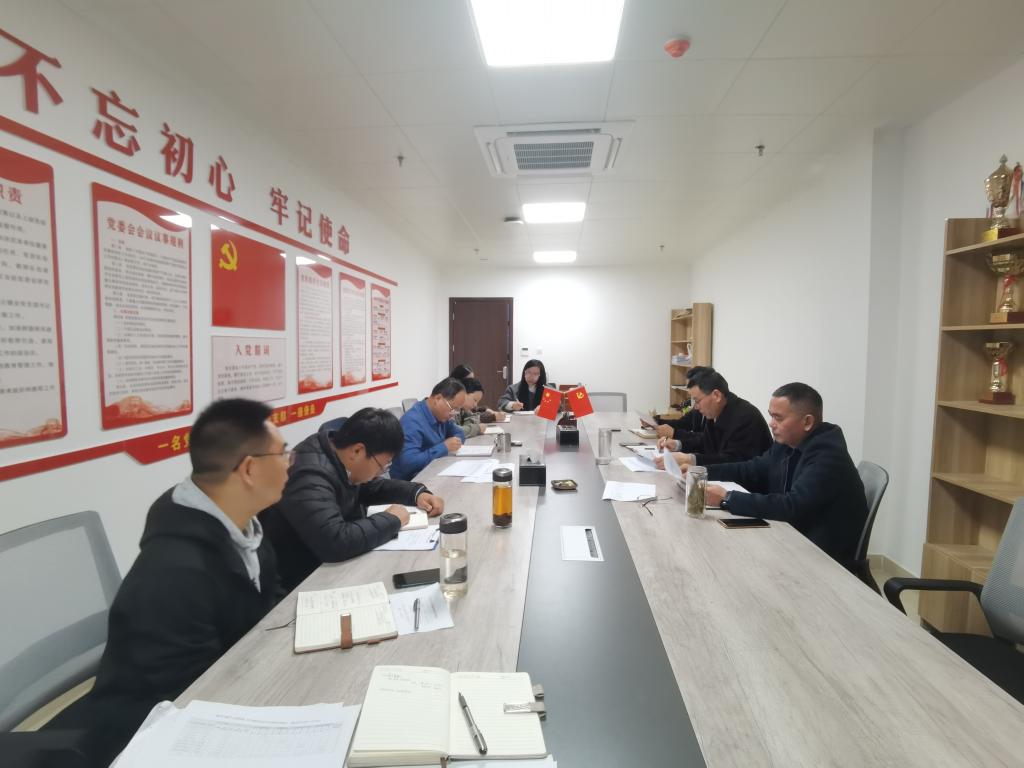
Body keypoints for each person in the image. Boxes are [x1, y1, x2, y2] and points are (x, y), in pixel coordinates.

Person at [49, 399, 288, 766]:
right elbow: (189, 700)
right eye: (283, 453)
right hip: (153, 738)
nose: (290, 463)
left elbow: (269, 609)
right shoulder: (175, 574)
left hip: (232, 692)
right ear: (250, 469)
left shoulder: (245, 526)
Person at [260, 407, 446, 592]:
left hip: (329, 564)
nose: (380, 473)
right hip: (301, 578)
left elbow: (371, 486)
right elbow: (336, 542)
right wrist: (392, 519)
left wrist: (416, 493)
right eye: (381, 466)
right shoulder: (309, 475)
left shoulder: (338, 455)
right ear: (357, 451)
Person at [704, 382, 868, 569]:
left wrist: (727, 498)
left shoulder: (828, 455)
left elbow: (792, 506)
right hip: (791, 537)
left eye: (778, 418)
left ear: (807, 422)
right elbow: (751, 469)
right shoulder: (787, 443)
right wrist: (701, 470)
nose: (771, 424)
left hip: (821, 558)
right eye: (771, 416)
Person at [654, 367, 772, 470]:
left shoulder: (746, 417)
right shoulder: (715, 411)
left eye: (697, 401)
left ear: (716, 395)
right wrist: (677, 444)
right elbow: (704, 443)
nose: (696, 407)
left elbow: (733, 461)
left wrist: (690, 459)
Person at [390, 377, 467, 481]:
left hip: (435, 472)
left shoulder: (441, 415)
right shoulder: (412, 421)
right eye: (453, 408)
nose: (453, 414)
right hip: (411, 482)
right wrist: (444, 447)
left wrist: (455, 442)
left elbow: (459, 432)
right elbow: (409, 463)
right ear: (438, 399)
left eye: (458, 410)